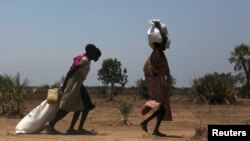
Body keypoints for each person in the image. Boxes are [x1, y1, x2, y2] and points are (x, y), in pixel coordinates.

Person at [46, 44, 101, 134]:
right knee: (66, 107)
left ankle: (74, 129)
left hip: (78, 84)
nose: (95, 54)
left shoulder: (86, 59)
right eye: (94, 52)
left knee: (85, 105)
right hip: (73, 84)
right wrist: (64, 85)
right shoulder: (84, 60)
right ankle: (50, 125)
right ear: (90, 52)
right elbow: (71, 71)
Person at [140, 20, 173, 137]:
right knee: (162, 107)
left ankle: (151, 127)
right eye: (163, 43)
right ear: (159, 44)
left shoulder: (155, 54)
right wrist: (158, 26)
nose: (165, 45)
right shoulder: (157, 52)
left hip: (156, 83)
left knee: (162, 108)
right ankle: (148, 125)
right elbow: (164, 38)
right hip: (158, 84)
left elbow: (145, 69)